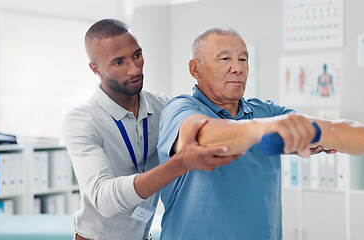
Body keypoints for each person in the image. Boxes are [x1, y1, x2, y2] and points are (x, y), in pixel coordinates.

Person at [157, 27, 364, 239]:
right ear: (195, 69)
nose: (237, 67)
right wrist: (268, 128)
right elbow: (204, 138)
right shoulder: (181, 108)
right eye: (224, 58)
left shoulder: (264, 111)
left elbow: (331, 130)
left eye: (243, 58)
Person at [61, 19, 239, 240]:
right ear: (95, 69)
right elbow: (103, 199)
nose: (134, 69)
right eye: (119, 62)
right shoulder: (82, 120)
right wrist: (181, 163)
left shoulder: (163, 106)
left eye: (137, 55)